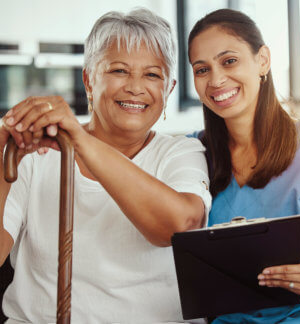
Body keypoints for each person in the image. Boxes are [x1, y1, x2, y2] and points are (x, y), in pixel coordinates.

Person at [0, 8, 211, 324]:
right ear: (88, 79)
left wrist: (81, 143)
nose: (135, 87)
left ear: (168, 89)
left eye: (152, 74)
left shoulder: (181, 152)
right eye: (119, 71)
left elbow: (179, 227)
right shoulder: (34, 156)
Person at [188, 8, 300, 323]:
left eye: (229, 61)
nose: (216, 79)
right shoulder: (192, 154)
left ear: (263, 61)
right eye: (201, 69)